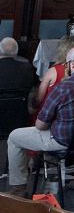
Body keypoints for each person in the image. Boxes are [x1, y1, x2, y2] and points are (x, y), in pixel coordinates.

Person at [5, 46, 74, 197]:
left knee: (15, 137)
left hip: (64, 141)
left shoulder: (65, 86)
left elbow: (41, 124)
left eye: (67, 64)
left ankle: (19, 187)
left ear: (72, 64)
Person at [0, 37, 39, 174]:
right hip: (19, 116)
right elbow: (33, 90)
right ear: (16, 52)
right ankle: (14, 168)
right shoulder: (27, 68)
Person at [35, 36, 74, 111]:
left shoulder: (53, 71)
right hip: (73, 111)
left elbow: (39, 99)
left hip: (50, 113)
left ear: (61, 51)